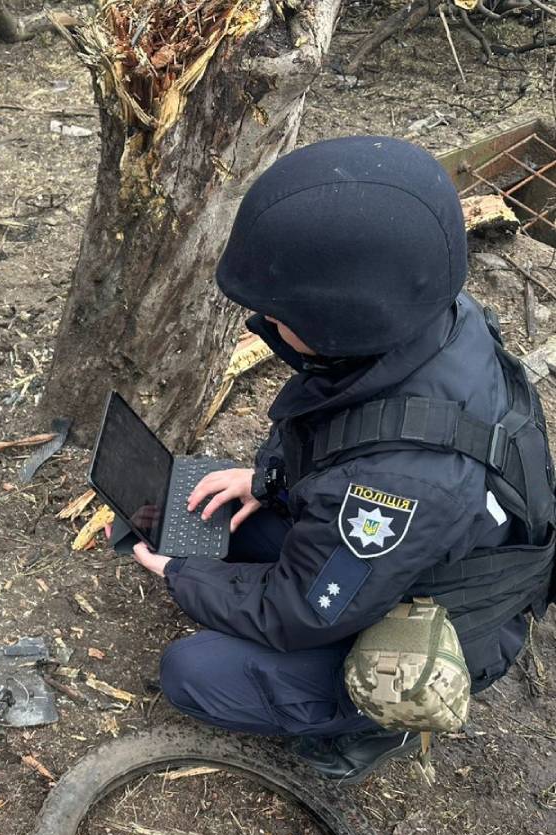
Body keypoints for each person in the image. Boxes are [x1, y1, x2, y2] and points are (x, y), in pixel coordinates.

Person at [126, 135, 555, 783]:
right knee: (223, 515)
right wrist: (265, 481)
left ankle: (372, 723)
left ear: (341, 320)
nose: (264, 321)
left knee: (193, 673)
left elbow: (300, 610)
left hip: (438, 621)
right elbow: (334, 426)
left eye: (278, 312)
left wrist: (181, 575)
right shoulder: (420, 319)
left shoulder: (396, 482)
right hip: (417, 549)